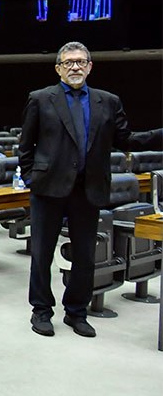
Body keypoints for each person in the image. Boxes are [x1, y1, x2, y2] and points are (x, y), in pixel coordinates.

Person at [19, 41, 163, 339]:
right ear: (58, 67)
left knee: (85, 255)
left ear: (90, 67)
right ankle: (41, 311)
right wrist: (31, 177)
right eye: (69, 62)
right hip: (48, 188)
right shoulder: (41, 98)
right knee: (42, 253)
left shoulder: (107, 101)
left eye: (81, 62)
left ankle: (76, 312)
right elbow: (26, 145)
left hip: (89, 189)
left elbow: (126, 140)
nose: (75, 66)